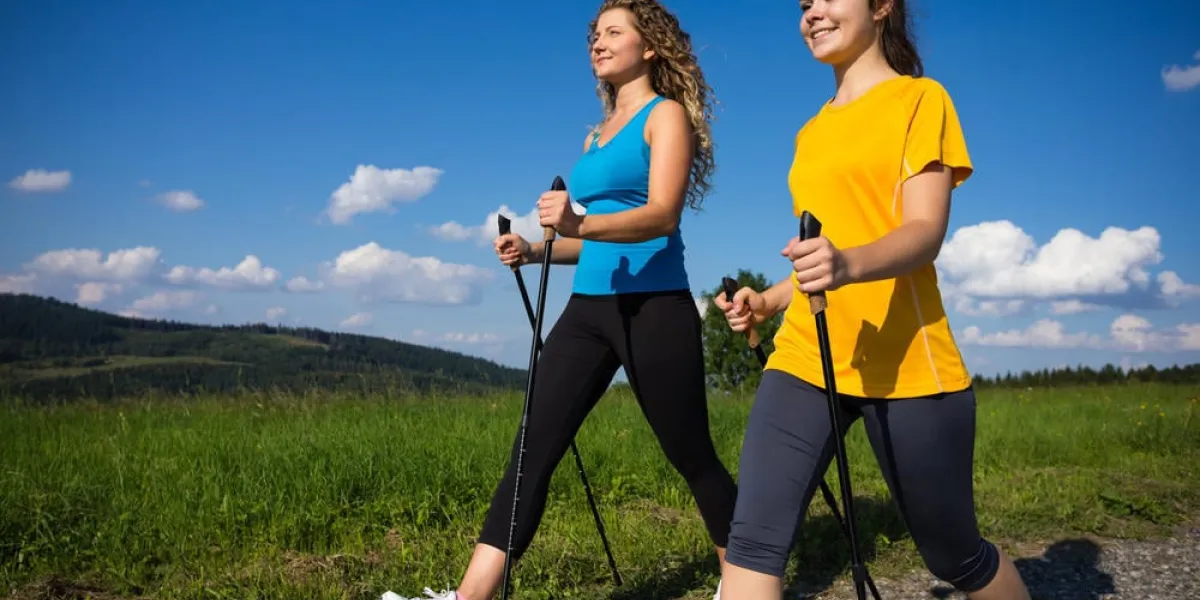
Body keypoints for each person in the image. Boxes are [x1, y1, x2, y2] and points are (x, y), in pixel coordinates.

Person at [384, 1, 737, 599]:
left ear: (650, 46)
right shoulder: (594, 136)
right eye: (595, 34)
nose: (598, 42)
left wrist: (576, 221)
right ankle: (469, 597)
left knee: (691, 453)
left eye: (614, 32)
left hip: (654, 305)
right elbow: (589, 238)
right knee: (532, 448)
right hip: (588, 310)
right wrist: (533, 249)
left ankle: (745, 579)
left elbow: (661, 215)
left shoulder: (665, 116)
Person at [712, 0, 1032, 599]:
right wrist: (772, 300)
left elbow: (923, 232)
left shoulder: (920, 100)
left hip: (907, 363)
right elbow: (824, 249)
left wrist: (845, 265)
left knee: (956, 556)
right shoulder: (810, 132)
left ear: (883, 6)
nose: (813, 11)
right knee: (752, 544)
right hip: (808, 355)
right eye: (803, 3)